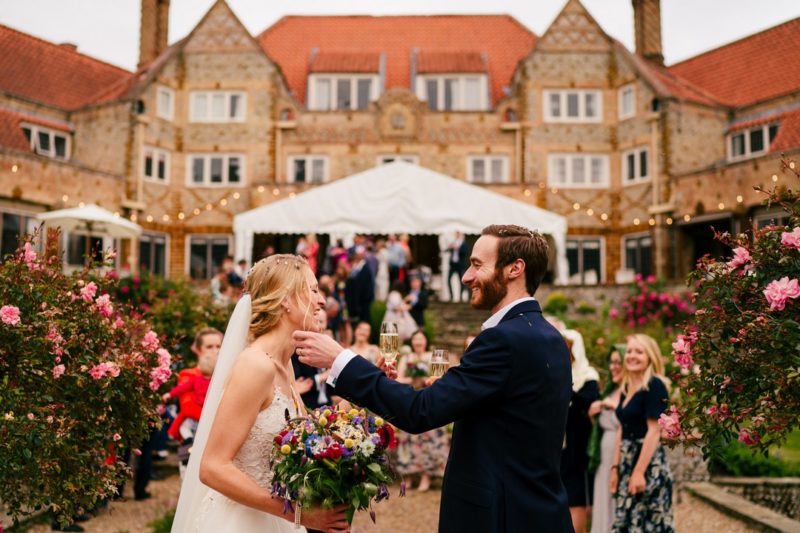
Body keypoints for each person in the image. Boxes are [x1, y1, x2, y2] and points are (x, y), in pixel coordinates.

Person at [295, 224, 573, 533]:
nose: (466, 276)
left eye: (477, 265)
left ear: (514, 269)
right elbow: (514, 420)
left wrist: (340, 360)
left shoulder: (503, 340)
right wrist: (452, 393)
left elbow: (419, 411)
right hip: (541, 513)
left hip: (500, 518)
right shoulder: (551, 337)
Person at [171, 254, 349, 533]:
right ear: (286, 300)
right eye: (313, 290)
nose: (322, 300)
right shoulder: (256, 365)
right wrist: (299, 515)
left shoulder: (285, 365)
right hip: (240, 522)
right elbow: (212, 468)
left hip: (276, 518)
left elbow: (306, 437)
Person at [610, 334, 674, 532]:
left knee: (649, 524)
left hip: (648, 462)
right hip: (627, 462)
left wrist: (638, 472)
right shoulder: (626, 387)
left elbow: (654, 431)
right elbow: (621, 427)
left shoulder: (655, 386)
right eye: (629, 351)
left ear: (650, 357)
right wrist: (615, 468)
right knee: (625, 522)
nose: (632, 356)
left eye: (639, 351)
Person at [395, 330, 449, 492]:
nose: (418, 342)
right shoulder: (407, 358)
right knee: (408, 437)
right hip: (411, 400)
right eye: (415, 339)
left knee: (429, 437)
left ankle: (426, 476)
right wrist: (412, 380)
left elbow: (443, 377)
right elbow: (398, 378)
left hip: (430, 401)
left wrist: (427, 381)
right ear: (412, 342)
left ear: (426, 341)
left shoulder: (433, 356)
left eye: (421, 339)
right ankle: (409, 476)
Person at [560, 329, 599, 533]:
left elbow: (588, 401)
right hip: (558, 446)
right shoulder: (554, 372)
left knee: (576, 498)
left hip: (578, 447)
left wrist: (566, 388)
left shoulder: (588, 376)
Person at [588, 344, 625, 533]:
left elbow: (629, 424)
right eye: (611, 362)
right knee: (603, 503)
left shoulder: (632, 394)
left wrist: (612, 407)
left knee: (617, 505)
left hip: (620, 457)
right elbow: (602, 427)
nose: (613, 367)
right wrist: (593, 414)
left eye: (618, 362)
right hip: (603, 458)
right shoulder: (610, 391)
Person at [162, 328, 223, 442]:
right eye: (209, 347)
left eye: (218, 346)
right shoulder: (188, 375)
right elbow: (188, 408)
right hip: (196, 436)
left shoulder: (225, 375)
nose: (216, 351)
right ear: (198, 350)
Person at [344, 246, 374, 329]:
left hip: (362, 304)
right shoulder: (355, 267)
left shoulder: (365, 268)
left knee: (362, 325)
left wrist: (362, 304)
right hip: (355, 304)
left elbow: (368, 289)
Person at [447, 231, 468, 302]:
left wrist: (457, 248)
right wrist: (450, 247)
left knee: (461, 281)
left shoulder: (463, 243)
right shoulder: (453, 242)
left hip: (460, 265)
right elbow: (447, 250)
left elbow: (465, 252)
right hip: (453, 264)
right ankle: (451, 296)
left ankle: (461, 297)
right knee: (448, 279)